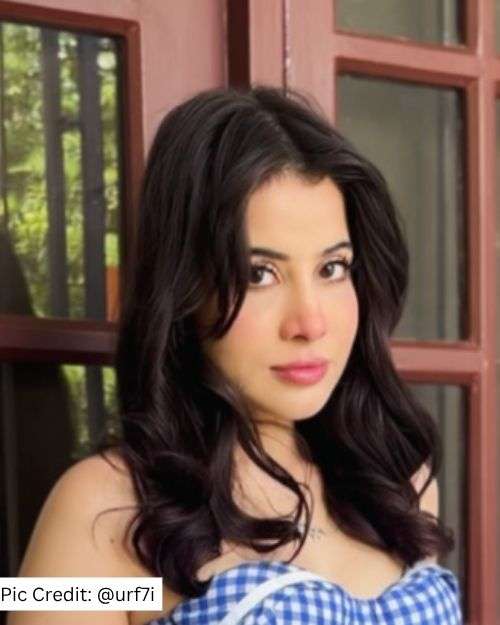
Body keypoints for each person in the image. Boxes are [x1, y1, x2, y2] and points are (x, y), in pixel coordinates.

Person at [8, 85, 462, 625]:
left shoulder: (396, 482)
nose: (310, 323)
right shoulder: (107, 510)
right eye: (258, 274)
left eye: (332, 268)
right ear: (186, 288)